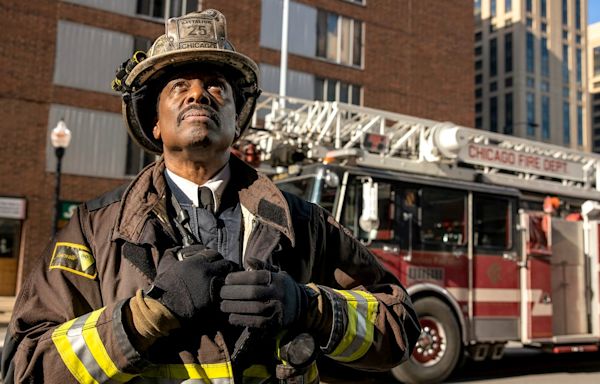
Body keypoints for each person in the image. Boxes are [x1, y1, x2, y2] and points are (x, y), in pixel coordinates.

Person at [1, 9, 419, 384]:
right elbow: (23, 365)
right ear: (155, 125)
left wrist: (309, 305)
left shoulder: (304, 224)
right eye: (178, 85)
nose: (198, 94)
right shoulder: (95, 231)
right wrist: (142, 318)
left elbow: (399, 326)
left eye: (217, 87)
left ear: (237, 122)